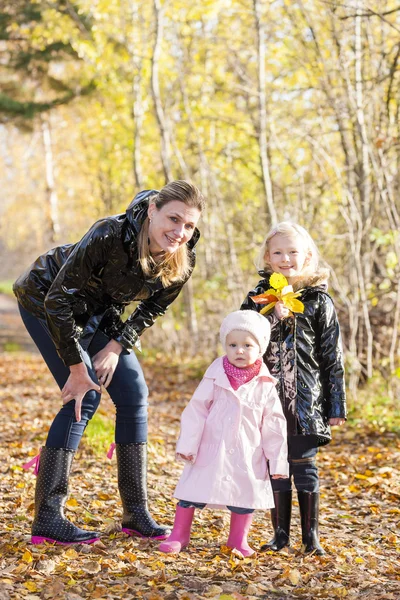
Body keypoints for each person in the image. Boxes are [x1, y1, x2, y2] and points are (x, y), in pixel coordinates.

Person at [14, 180, 205, 545]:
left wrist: (117, 345)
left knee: (134, 393)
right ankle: (48, 519)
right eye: (173, 219)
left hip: (99, 314)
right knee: (84, 396)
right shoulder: (110, 233)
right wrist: (76, 368)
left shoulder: (183, 257)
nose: (180, 232)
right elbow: (58, 299)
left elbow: (154, 306)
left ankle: (136, 513)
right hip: (45, 301)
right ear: (152, 211)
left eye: (189, 225)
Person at [241, 221, 347, 556]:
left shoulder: (318, 300)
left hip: (306, 400)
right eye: (278, 252)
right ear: (268, 257)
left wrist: (336, 405)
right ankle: (280, 534)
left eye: (293, 252)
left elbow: (332, 355)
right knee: (276, 466)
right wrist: (271, 317)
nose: (286, 258)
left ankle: (310, 537)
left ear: (308, 256)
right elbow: (242, 343)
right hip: (268, 399)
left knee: (304, 465)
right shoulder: (257, 298)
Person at [159, 310, 289, 557]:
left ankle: (238, 540)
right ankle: (179, 535)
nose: (239, 350)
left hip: (248, 450)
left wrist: (277, 461)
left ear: (260, 348)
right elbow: (196, 410)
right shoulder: (215, 375)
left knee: (243, 496)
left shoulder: (265, 384)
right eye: (233, 344)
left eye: (247, 345)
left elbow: (274, 423)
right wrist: (188, 445)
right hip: (211, 446)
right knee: (191, 492)